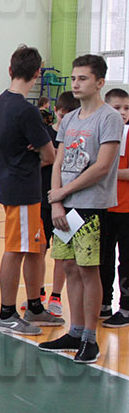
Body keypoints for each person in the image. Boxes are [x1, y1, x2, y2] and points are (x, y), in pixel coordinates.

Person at [40, 54, 124, 363]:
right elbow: (59, 161)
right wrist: (57, 201)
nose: (76, 83)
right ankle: (74, 331)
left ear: (100, 82)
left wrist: (63, 192)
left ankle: (90, 338)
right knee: (70, 270)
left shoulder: (109, 118)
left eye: (83, 78)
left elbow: (102, 167)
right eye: (74, 78)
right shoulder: (70, 119)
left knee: (90, 273)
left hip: (91, 208)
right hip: (64, 209)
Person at [0, 45, 61, 336]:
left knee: (36, 248)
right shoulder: (26, 110)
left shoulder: (1, 102)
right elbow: (50, 156)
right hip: (21, 187)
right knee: (17, 249)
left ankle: (34, 306)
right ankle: (6, 313)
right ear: (37, 74)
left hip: (17, 185)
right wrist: (40, 149)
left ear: (10, 70)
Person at [40, 91, 80, 316]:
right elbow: (39, 160)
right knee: (39, 250)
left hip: (69, 203)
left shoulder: (76, 139)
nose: (65, 120)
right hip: (43, 201)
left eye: (70, 116)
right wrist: (50, 155)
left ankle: (56, 296)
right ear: (55, 112)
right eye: (62, 116)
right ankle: (38, 292)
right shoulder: (45, 135)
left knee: (63, 253)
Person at [101, 87, 129, 328]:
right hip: (103, 207)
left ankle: (126, 308)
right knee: (103, 258)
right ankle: (103, 303)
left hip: (126, 209)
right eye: (116, 108)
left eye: (126, 108)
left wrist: (106, 173)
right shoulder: (102, 132)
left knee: (126, 261)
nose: (122, 113)